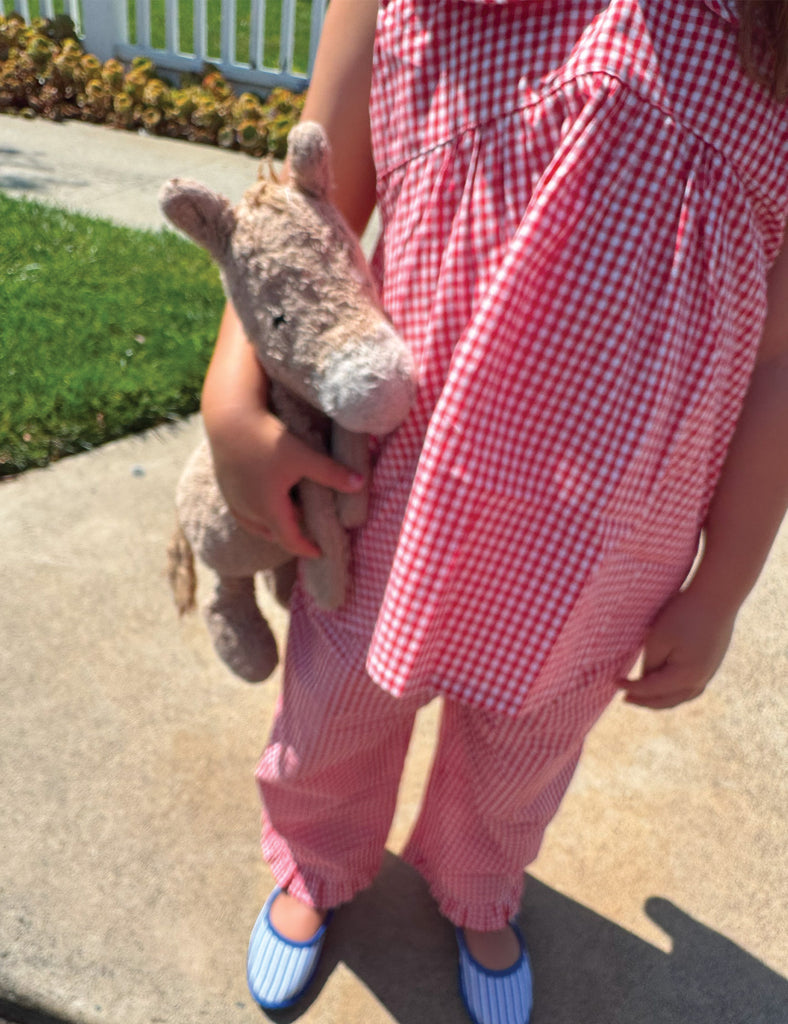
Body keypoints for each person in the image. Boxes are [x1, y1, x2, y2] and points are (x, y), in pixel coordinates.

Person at [201, 2, 788, 1022]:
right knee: (337, 696)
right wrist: (229, 392)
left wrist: (722, 584)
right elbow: (304, 203)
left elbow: (778, 357)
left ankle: (478, 879)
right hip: (394, 475)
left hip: (613, 530)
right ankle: (315, 854)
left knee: (528, 738)